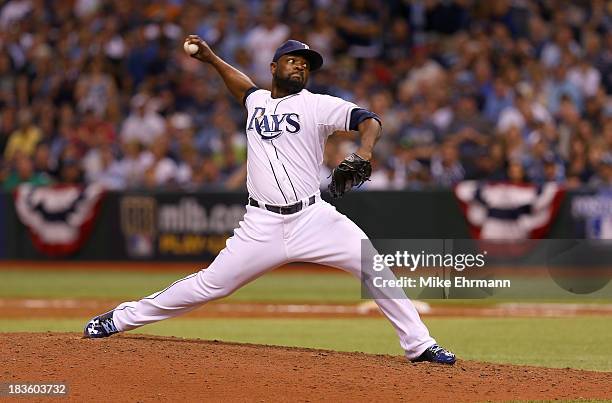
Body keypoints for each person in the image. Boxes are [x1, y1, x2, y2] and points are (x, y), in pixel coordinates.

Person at [83, 37, 456, 365]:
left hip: (313, 218)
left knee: (372, 264)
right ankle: (118, 319)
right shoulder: (256, 100)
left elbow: (369, 119)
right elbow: (241, 86)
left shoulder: (317, 105)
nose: (301, 66)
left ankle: (420, 345)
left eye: (306, 64)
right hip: (260, 225)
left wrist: (365, 151)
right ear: (274, 67)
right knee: (210, 285)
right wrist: (212, 60)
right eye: (293, 60)